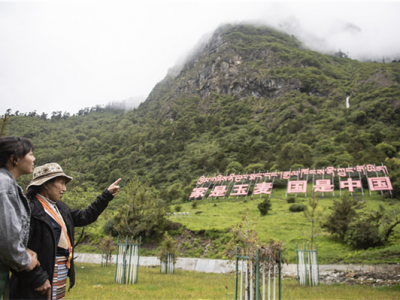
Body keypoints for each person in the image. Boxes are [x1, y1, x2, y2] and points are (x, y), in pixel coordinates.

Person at [9, 163, 121, 300]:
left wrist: (106, 195)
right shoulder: (30, 211)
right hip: (37, 282)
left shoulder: (61, 209)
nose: (64, 189)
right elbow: (15, 251)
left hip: (58, 276)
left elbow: (85, 216)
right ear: (46, 184)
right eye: (61, 183)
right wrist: (37, 277)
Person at [0, 136, 40, 300]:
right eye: (30, 154)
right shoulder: (4, 185)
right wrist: (25, 260)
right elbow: (7, 238)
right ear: (14, 159)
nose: (34, 158)